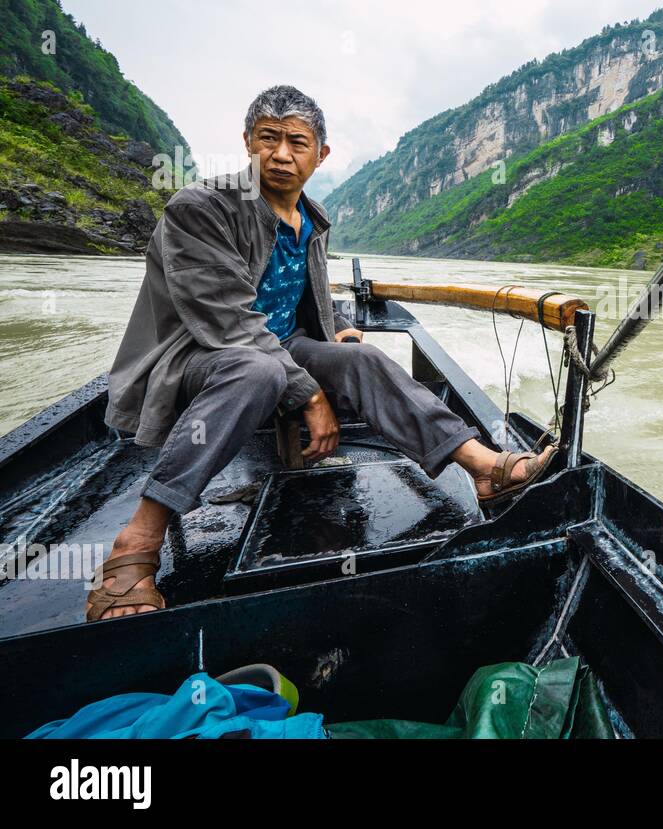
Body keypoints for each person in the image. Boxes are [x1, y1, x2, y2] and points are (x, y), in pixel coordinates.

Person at [88, 85, 556, 622]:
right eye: (268, 139)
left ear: (321, 155)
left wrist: (340, 332)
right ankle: (136, 542)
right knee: (258, 367)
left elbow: (303, 293)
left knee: (361, 358)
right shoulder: (202, 208)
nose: (281, 155)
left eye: (297, 142)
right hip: (197, 355)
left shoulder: (312, 217)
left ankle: (482, 467)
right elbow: (229, 323)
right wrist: (309, 393)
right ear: (247, 142)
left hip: (276, 349)